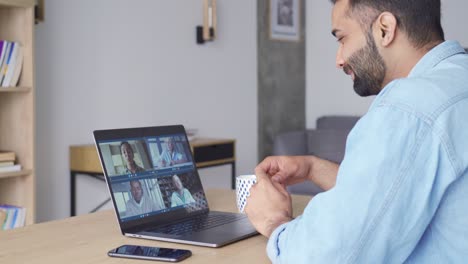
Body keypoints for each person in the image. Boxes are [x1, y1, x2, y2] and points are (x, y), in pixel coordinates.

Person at [245, 0, 468, 262]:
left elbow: (329, 256)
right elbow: (399, 192)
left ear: (385, 29)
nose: (339, 60)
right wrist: (313, 168)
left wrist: (273, 221)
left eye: (342, 39)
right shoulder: (456, 79)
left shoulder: (409, 107)